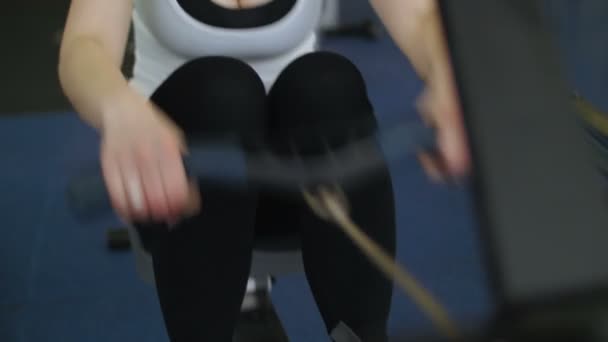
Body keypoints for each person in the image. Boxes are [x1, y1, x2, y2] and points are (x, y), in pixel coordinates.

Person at [58, 0, 468, 341]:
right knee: (224, 88)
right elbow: (85, 44)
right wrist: (121, 110)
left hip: (300, 186)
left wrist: (451, 77)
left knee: (327, 82)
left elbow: (420, 17)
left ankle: (360, 335)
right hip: (179, 184)